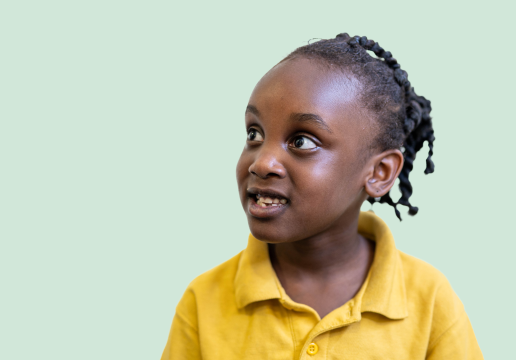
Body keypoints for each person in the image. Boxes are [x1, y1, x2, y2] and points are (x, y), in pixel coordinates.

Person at [161, 33, 483, 360]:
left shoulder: (430, 301)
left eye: (302, 141)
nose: (262, 162)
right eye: (254, 134)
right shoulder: (203, 301)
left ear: (380, 173)